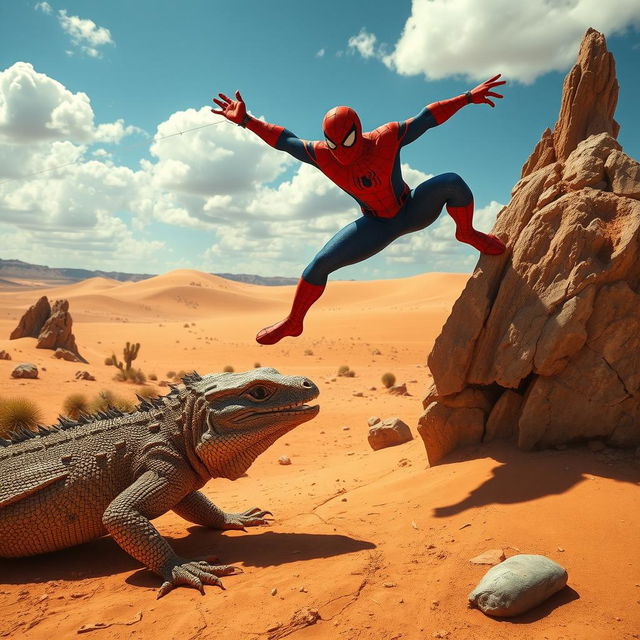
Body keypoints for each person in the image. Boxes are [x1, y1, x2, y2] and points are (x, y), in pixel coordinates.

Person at [211, 75, 506, 345]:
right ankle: (293, 321)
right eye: (334, 143)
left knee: (452, 182)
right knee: (317, 266)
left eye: (348, 141)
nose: (341, 150)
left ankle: (466, 233)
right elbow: (285, 141)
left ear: (358, 131)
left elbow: (426, 118)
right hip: (376, 225)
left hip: (413, 209)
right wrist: (246, 120)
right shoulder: (322, 155)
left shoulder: (386, 138)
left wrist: (468, 97)